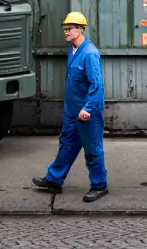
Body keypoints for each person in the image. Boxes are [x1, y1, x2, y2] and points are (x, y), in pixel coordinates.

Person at [32, 11, 108, 202]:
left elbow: (96, 85)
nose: (66, 32)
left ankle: (99, 185)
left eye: (70, 28)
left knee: (92, 149)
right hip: (72, 111)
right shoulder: (73, 50)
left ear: (81, 29)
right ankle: (54, 179)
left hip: (87, 113)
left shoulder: (89, 54)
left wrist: (88, 109)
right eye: (65, 28)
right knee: (66, 145)